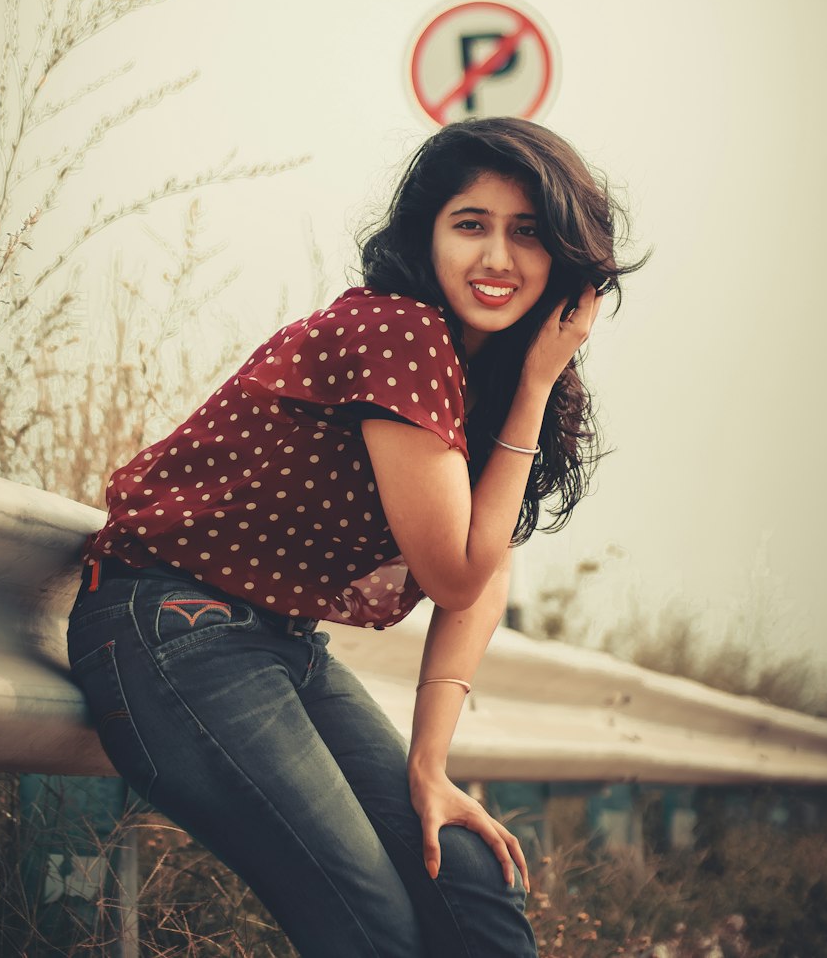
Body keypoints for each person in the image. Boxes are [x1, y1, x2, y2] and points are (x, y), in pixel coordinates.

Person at [66, 116, 641, 958]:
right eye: (470, 225)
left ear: (566, 257)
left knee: (473, 882)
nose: (496, 258)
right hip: (172, 627)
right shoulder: (400, 332)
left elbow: (489, 575)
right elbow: (453, 570)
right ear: (427, 235)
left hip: (279, 645)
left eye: (527, 233)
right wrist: (536, 387)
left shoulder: (479, 370)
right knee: (370, 924)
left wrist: (430, 767)